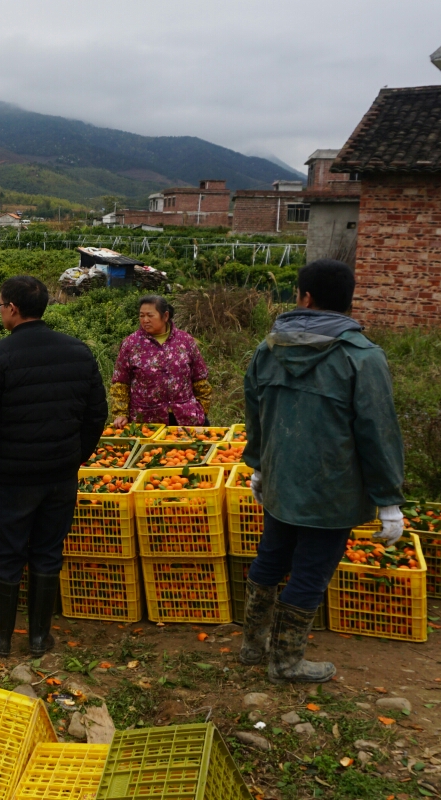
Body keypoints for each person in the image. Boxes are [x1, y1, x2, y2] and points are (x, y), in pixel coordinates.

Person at [239, 259, 404, 682]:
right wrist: (388, 500)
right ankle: (286, 662)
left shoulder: (269, 348)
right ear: (347, 301)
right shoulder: (360, 357)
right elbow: (378, 431)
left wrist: (258, 465)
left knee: (271, 557)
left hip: (279, 480)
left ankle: (253, 644)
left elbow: (256, 411)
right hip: (332, 490)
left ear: (305, 298)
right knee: (311, 569)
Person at [0, 275, 107, 657]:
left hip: (13, 478)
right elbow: (96, 415)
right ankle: (40, 638)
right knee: (47, 550)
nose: (1, 312)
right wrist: (75, 456)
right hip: (60, 475)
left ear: (11, 308)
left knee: (8, 553)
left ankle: (0, 637)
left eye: (0, 306)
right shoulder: (78, 351)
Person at [110, 295, 212, 427]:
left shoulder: (185, 341)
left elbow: (200, 379)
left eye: (150, 315)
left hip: (186, 418)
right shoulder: (131, 344)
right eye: (141, 315)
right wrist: (121, 413)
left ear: (165, 316)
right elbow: (120, 382)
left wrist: (202, 410)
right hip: (146, 421)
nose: (145, 320)